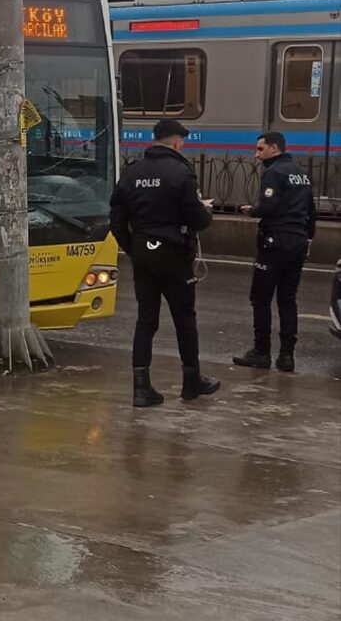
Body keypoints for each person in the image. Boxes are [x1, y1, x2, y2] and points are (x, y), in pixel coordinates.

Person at [109, 118, 220, 408]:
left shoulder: (131, 173)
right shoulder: (181, 173)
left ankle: (141, 389)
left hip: (144, 255)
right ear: (176, 142)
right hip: (174, 255)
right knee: (185, 319)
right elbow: (197, 218)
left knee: (146, 320)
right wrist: (206, 212)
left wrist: (134, 249)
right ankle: (191, 382)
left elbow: (116, 221)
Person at [233, 131, 316, 373]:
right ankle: (287, 356)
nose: (256, 154)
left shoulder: (274, 173)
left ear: (274, 148)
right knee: (288, 300)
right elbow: (311, 212)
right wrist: (307, 238)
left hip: (275, 243)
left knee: (260, 298)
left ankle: (261, 352)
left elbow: (268, 208)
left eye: (260, 149)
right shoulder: (302, 174)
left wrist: (251, 210)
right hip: (298, 243)